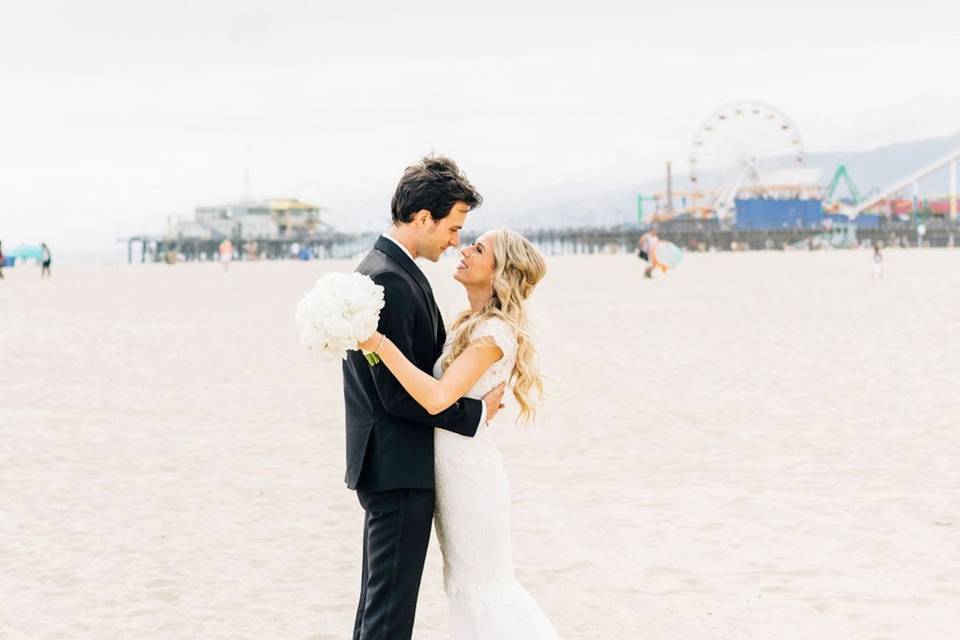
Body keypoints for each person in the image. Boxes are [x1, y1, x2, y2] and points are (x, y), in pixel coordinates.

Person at [358, 228, 559, 639]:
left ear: (498, 271)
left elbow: (435, 398)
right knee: (466, 591)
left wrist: (377, 342)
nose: (464, 249)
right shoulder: (469, 325)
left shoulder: (493, 334)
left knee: (485, 589)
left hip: (471, 480)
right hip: (451, 475)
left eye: (479, 249)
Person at [342, 155, 507, 640]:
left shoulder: (384, 268)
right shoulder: (390, 280)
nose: (455, 240)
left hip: (389, 462)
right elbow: (396, 395)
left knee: (378, 603)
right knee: (388, 614)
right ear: (422, 218)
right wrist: (474, 413)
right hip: (399, 464)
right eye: (453, 227)